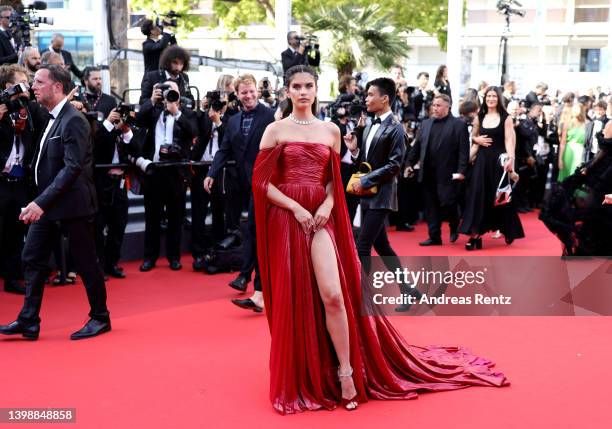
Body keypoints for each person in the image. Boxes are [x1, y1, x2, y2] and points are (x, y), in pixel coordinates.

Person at [252, 65, 508, 415]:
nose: (303, 92)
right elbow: (262, 184)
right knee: (298, 297)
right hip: (290, 218)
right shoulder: (274, 130)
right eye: (296, 86)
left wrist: (328, 203)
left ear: (316, 89)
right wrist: (296, 208)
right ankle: (307, 369)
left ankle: (345, 371)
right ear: (287, 91)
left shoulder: (331, 130)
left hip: (321, 217)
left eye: (309, 85)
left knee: (334, 295)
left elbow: (331, 179)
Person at [0, 65, 110, 340]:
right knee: (32, 257)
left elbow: (72, 169)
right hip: (47, 204)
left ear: (57, 86)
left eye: (38, 82)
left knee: (85, 262)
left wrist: (40, 203)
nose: (33, 86)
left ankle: (100, 317)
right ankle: (28, 320)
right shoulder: (48, 116)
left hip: (72, 204)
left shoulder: (74, 120)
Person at [203, 74, 275, 311]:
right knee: (252, 231)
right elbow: (224, 151)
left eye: (252, 91)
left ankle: (251, 281)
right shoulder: (232, 121)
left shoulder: (270, 116)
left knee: (255, 229)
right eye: (244, 92)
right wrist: (212, 173)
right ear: (237, 94)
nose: (249, 95)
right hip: (243, 183)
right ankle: (251, 280)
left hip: (267, 184)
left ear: (257, 91)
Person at [134, 80, 196, 272]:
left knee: (176, 217)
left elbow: (193, 131)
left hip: (176, 171)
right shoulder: (152, 111)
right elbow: (138, 119)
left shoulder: (185, 113)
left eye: (173, 91)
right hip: (154, 170)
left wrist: (175, 110)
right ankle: (149, 257)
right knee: (152, 217)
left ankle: (174, 257)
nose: (169, 94)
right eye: (166, 90)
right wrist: (152, 100)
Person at [0, 64, 47, 294]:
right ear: (9, 86)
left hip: (19, 182)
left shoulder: (28, 109)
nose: (27, 86)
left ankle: (12, 278)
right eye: (21, 82)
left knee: (15, 232)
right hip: (1, 180)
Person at [459, 86, 524, 249]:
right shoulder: (479, 116)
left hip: (499, 162)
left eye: (494, 96)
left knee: (501, 198)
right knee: (478, 196)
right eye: (488, 96)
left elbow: (510, 141)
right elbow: (473, 137)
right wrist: (476, 140)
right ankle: (475, 235)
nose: (491, 99)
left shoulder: (506, 118)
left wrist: (511, 164)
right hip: (481, 161)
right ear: (485, 98)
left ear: (499, 98)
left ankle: (507, 228)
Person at [406, 94, 469, 246]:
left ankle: (454, 224)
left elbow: (463, 151)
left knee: (448, 202)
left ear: (448, 107)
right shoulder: (426, 124)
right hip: (427, 172)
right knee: (431, 206)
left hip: (448, 173)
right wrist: (409, 163)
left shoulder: (458, 125)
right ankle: (434, 237)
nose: (435, 108)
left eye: (438, 105)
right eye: (434, 105)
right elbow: (417, 147)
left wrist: (461, 171)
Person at [558, 103, 587, 182]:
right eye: (574, 109)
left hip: (580, 153)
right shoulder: (567, 123)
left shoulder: (586, 124)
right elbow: (562, 143)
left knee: (576, 176)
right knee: (566, 177)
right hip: (568, 153)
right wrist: (560, 159)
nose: (576, 111)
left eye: (578, 109)